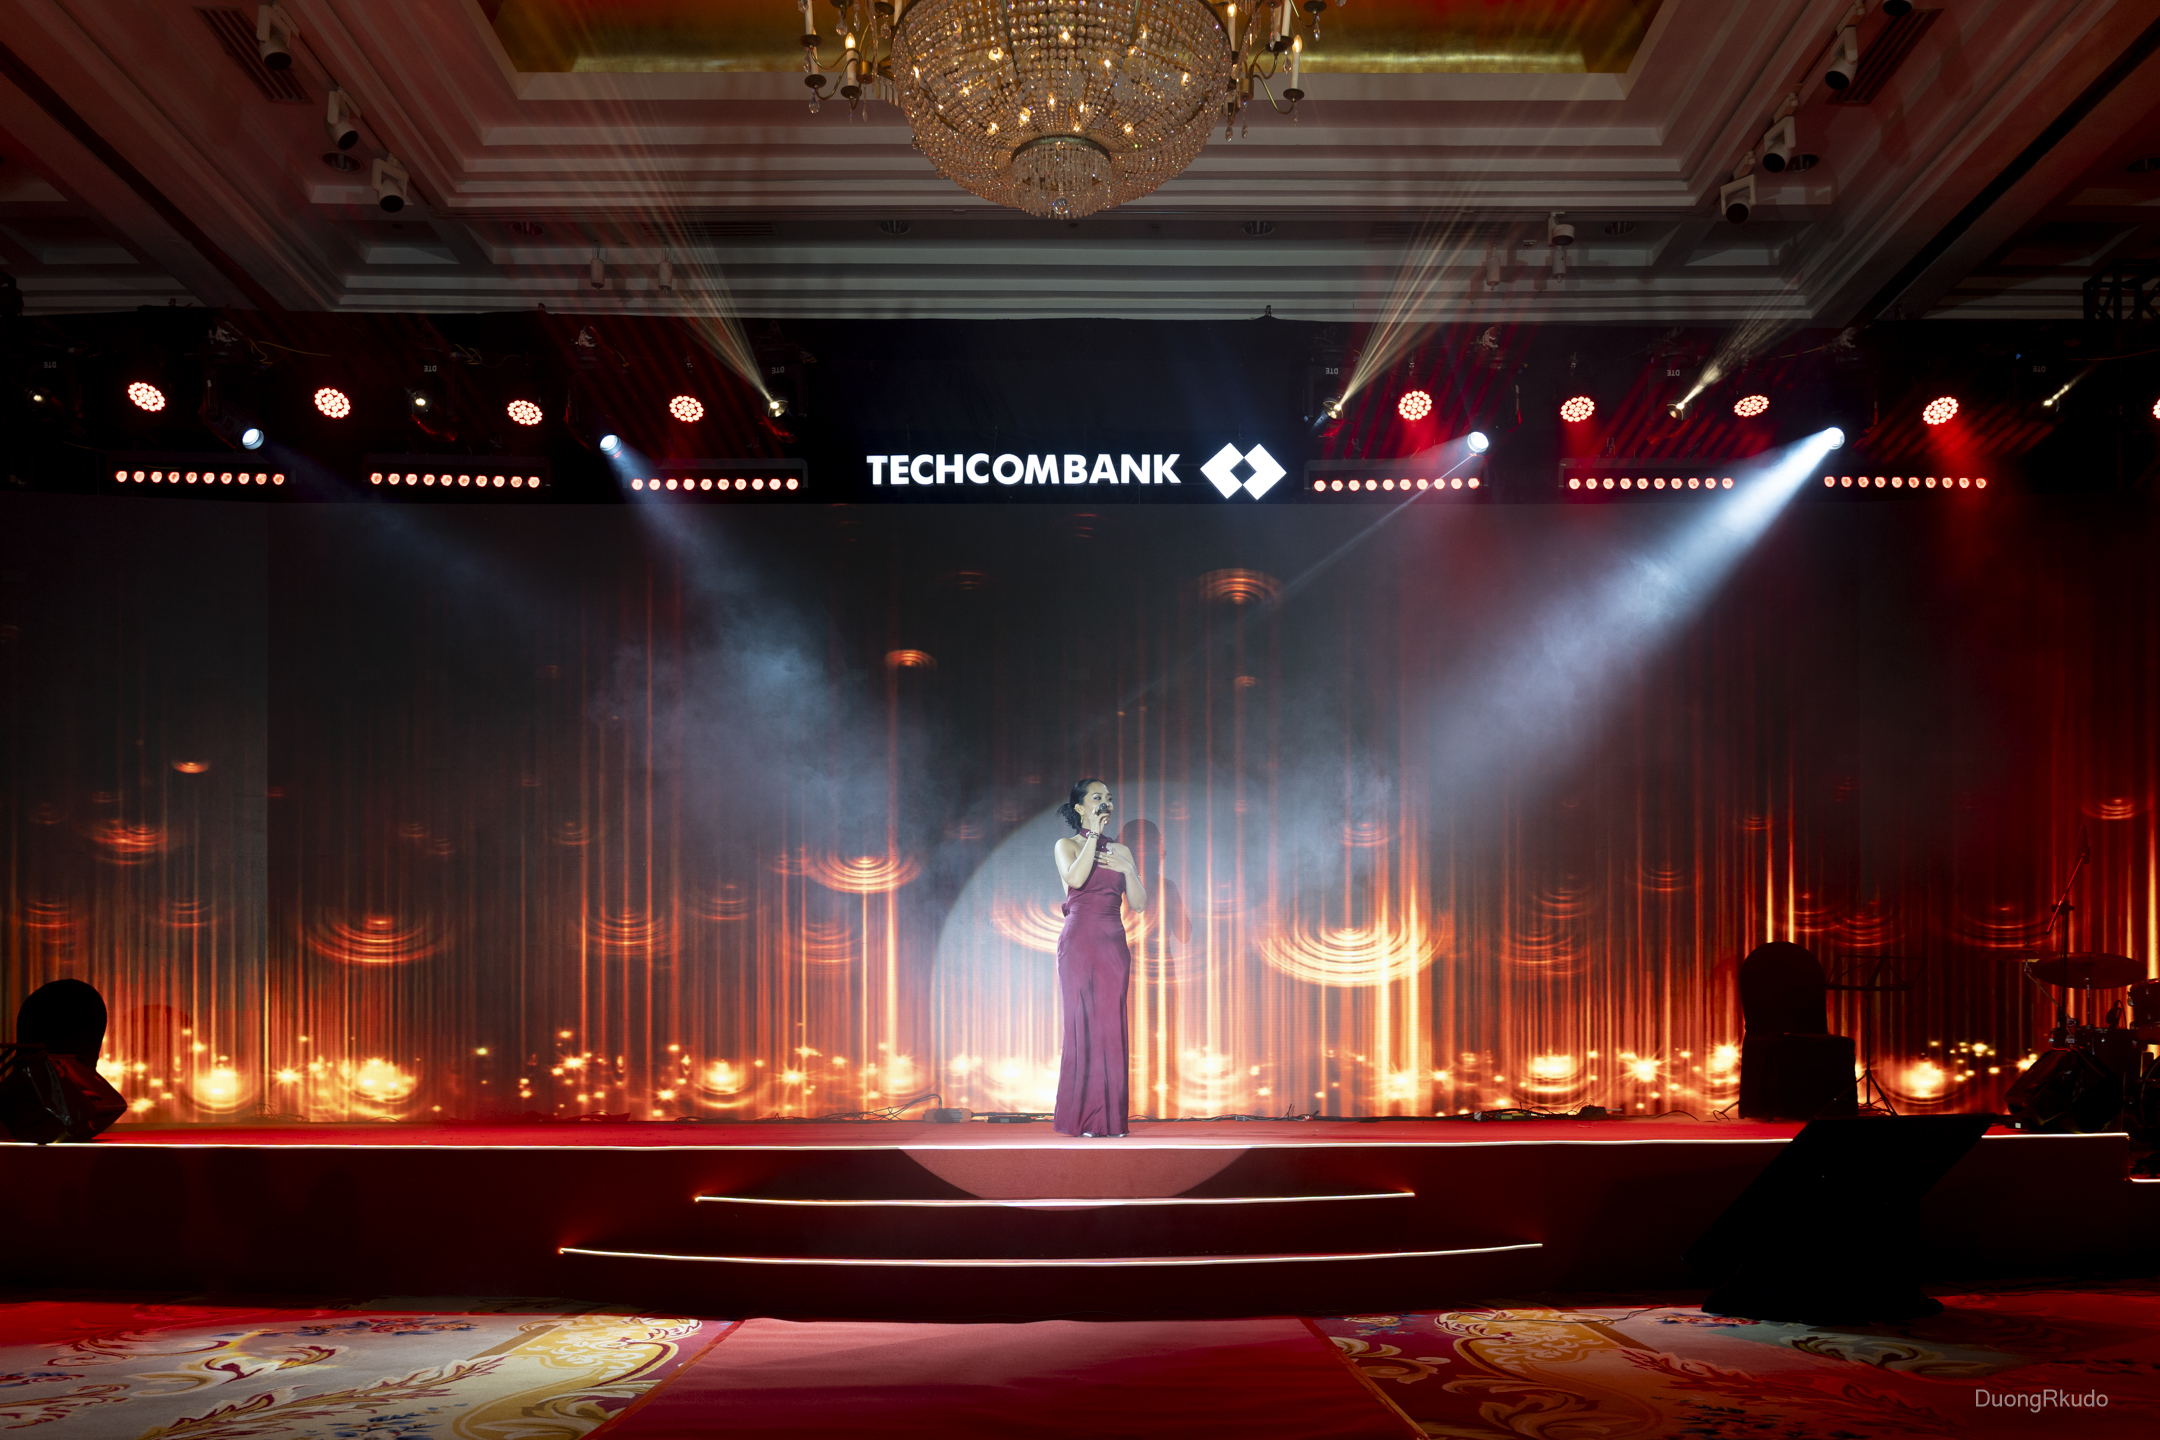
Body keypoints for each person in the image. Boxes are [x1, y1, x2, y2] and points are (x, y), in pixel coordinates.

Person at [1051, 778, 1147, 1137]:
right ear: (1080, 807)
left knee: (1110, 1025)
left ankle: (1110, 1119)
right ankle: (1082, 1117)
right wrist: (1092, 835)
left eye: (1108, 797)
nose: (1105, 802)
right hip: (1079, 942)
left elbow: (1139, 904)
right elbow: (1075, 880)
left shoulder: (1121, 851)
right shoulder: (1067, 845)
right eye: (1097, 797)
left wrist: (1128, 869)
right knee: (1081, 1024)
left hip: (1112, 943)